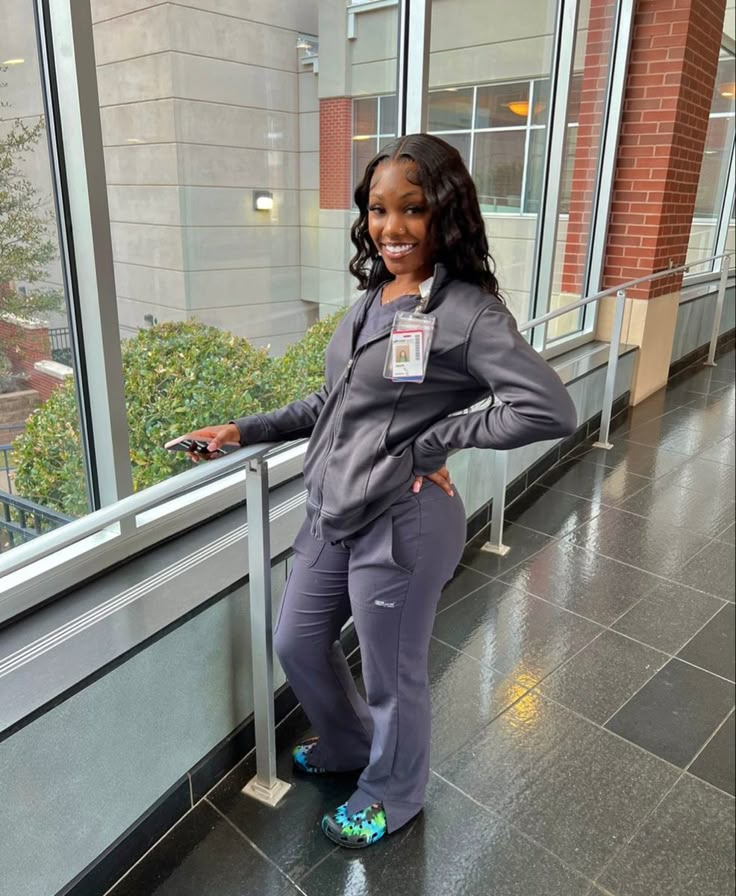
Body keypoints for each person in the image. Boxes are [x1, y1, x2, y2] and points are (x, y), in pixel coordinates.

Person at [169, 134, 576, 849]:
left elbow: (548, 408)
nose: (393, 228)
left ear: (444, 213)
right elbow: (334, 401)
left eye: (412, 209)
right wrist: (244, 429)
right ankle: (353, 745)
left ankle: (394, 793)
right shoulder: (372, 299)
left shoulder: (469, 314)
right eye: (379, 210)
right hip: (332, 510)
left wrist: (435, 441)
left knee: (394, 675)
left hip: (403, 519)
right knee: (296, 642)